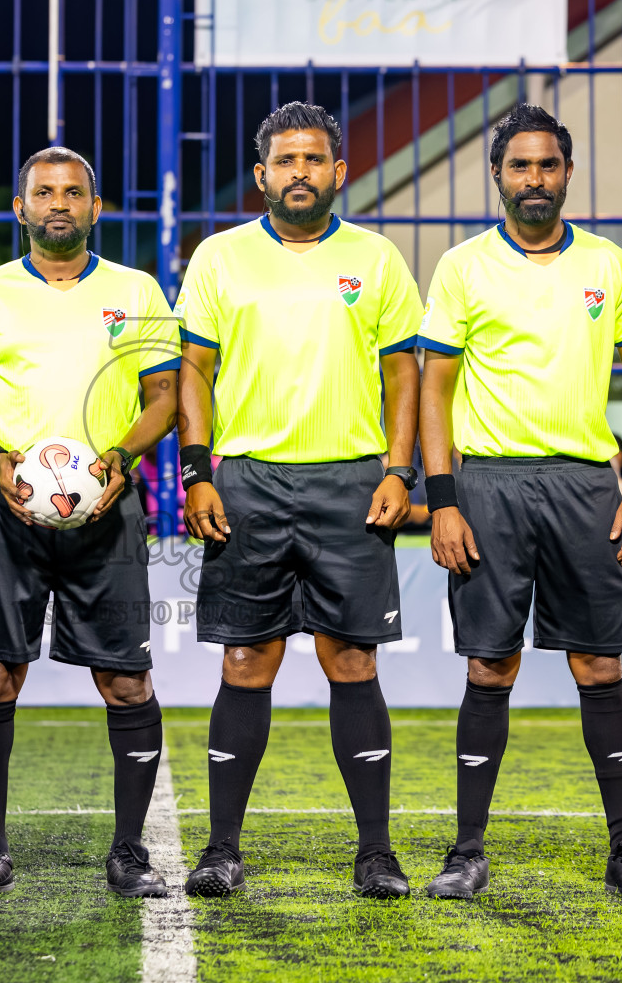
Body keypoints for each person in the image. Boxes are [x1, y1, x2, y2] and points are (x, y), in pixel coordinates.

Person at [419, 103, 622, 901]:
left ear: (567, 173)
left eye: (549, 165)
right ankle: (466, 852)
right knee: (490, 665)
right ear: (497, 175)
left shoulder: (609, 266)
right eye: (521, 166)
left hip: (587, 487)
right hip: (490, 484)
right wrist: (444, 499)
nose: (536, 178)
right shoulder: (462, 267)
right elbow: (435, 387)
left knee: (598, 663)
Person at [177, 102, 422, 899]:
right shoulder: (219, 258)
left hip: (351, 480)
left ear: (338, 171)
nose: (300, 173)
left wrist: (400, 471)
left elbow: (402, 377)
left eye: (314, 160)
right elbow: (195, 373)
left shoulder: (378, 259)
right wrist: (196, 471)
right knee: (247, 660)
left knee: (351, 658)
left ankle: (376, 852)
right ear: (262, 175)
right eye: (285, 161)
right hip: (248, 479)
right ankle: (221, 849)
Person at [0, 146, 179, 899]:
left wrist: (119, 459)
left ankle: (129, 851)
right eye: (44, 191)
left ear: (95, 208)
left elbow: (164, 398)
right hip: (6, 508)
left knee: (126, 680)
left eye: (75, 191)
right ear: (21, 207)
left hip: (108, 507)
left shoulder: (135, 289)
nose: (59, 203)